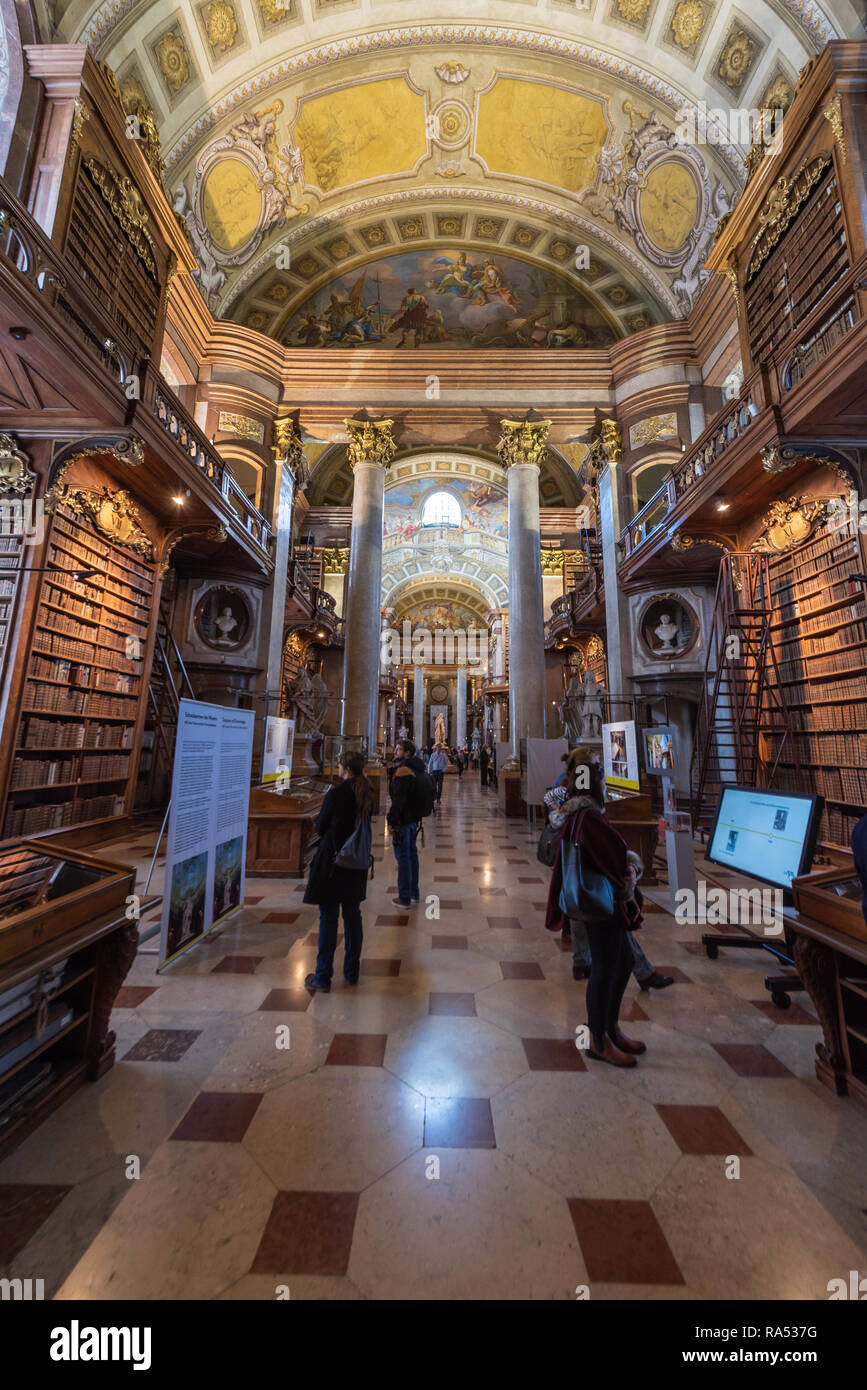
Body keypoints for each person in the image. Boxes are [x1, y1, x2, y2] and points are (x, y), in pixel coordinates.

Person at [543, 746, 649, 1067]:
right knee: (606, 967)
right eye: (599, 771)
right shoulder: (586, 815)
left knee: (624, 959)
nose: (603, 777)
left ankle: (610, 1028)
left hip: (601, 899)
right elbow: (607, 854)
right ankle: (598, 1039)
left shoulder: (582, 812)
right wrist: (627, 872)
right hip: (598, 901)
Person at [546, 752, 674, 993]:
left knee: (581, 918)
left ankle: (582, 962)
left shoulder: (573, 811)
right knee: (616, 931)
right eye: (600, 774)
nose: (604, 782)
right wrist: (630, 868)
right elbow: (610, 850)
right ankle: (641, 973)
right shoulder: (589, 815)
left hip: (577, 878)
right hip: (594, 882)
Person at [303, 752, 373, 992]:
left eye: (340, 765)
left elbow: (321, 826)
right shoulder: (366, 793)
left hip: (333, 862)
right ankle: (352, 971)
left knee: (329, 917)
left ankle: (323, 976)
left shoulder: (336, 793)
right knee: (353, 915)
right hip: (355, 863)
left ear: (346, 768)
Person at [387, 739, 427, 907]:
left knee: (403, 858)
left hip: (403, 821)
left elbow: (399, 800)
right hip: (413, 820)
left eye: (399, 749)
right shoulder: (418, 769)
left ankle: (404, 897)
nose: (396, 752)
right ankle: (414, 893)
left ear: (407, 753)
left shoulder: (403, 771)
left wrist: (391, 820)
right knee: (412, 856)